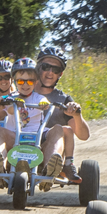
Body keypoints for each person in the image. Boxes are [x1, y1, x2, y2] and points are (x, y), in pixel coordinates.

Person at [0, 58, 49, 187]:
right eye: (20, 81)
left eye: (29, 81)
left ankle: (49, 169)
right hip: (14, 140)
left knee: (58, 130)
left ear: (36, 82)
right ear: (15, 81)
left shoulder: (38, 97)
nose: (25, 85)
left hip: (35, 141)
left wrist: (43, 105)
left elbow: (45, 102)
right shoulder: (11, 97)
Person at [34, 46, 89, 188]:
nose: (50, 73)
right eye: (46, 67)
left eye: (55, 70)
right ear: (38, 68)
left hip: (48, 146)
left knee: (62, 129)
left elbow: (83, 135)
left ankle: (53, 168)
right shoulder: (24, 91)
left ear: (60, 74)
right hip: (20, 143)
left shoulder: (63, 99)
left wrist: (77, 115)